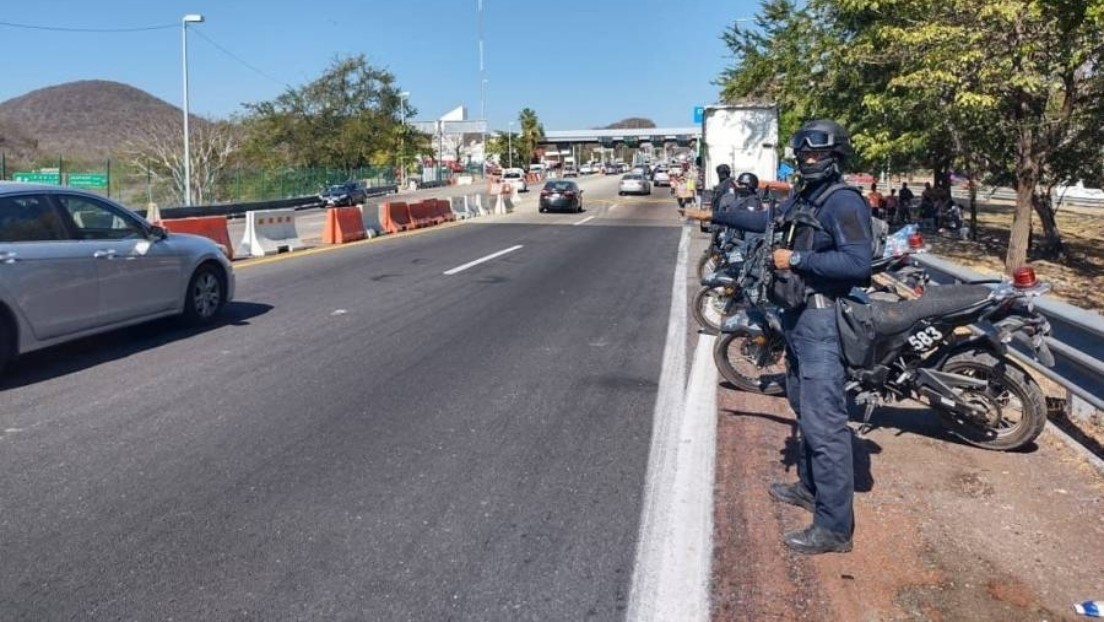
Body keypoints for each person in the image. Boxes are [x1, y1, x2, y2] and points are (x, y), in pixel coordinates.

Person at [681, 119, 871, 555]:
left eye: (816, 153)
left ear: (835, 156)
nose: (807, 160)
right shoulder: (808, 196)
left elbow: (858, 263)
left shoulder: (844, 202)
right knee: (803, 409)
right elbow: (767, 218)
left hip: (822, 323)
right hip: (798, 319)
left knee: (825, 426)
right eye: (802, 154)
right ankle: (809, 487)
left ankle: (834, 528)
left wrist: (797, 258)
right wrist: (714, 213)